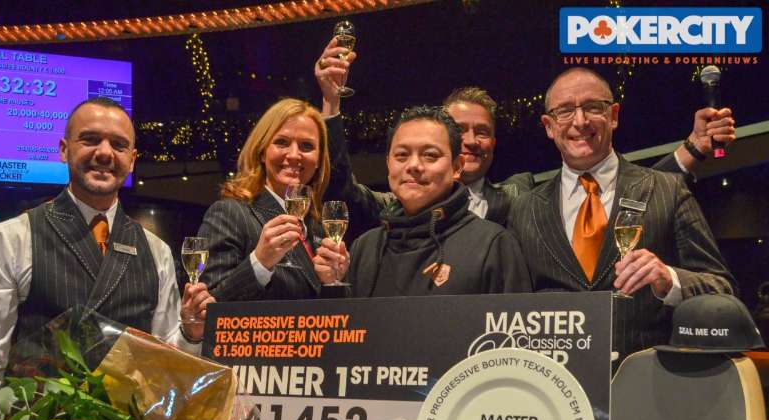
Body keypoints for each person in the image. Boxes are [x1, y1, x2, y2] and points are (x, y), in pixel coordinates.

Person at [0, 97, 214, 420]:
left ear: (132, 159)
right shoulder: (9, 239)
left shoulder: (156, 251)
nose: (104, 152)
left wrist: (190, 333)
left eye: (119, 145)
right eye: (90, 139)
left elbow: (163, 361)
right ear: (64, 150)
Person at [314, 39, 736, 228]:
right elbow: (340, 189)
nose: (471, 141)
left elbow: (619, 192)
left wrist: (692, 149)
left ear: (494, 144)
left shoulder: (518, 198)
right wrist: (331, 106)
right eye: (460, 131)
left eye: (482, 132)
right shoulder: (397, 203)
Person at [507, 67, 736, 360]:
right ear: (549, 126)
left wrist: (669, 279)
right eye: (564, 111)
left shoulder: (667, 190)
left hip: (646, 379)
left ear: (613, 115)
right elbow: (509, 309)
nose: (580, 121)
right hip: (555, 382)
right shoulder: (524, 209)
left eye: (593, 107)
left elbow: (723, 290)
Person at [314, 106, 531, 296]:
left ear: (457, 167)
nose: (413, 165)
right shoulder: (365, 247)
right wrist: (333, 285)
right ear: (388, 164)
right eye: (402, 155)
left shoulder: (493, 245)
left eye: (430, 155)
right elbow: (350, 328)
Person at [198, 98, 340, 301]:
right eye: (282, 142)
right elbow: (208, 309)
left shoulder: (318, 228)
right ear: (262, 152)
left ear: (318, 160)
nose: (294, 155)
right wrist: (260, 263)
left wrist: (333, 282)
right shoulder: (229, 214)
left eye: (306, 146)